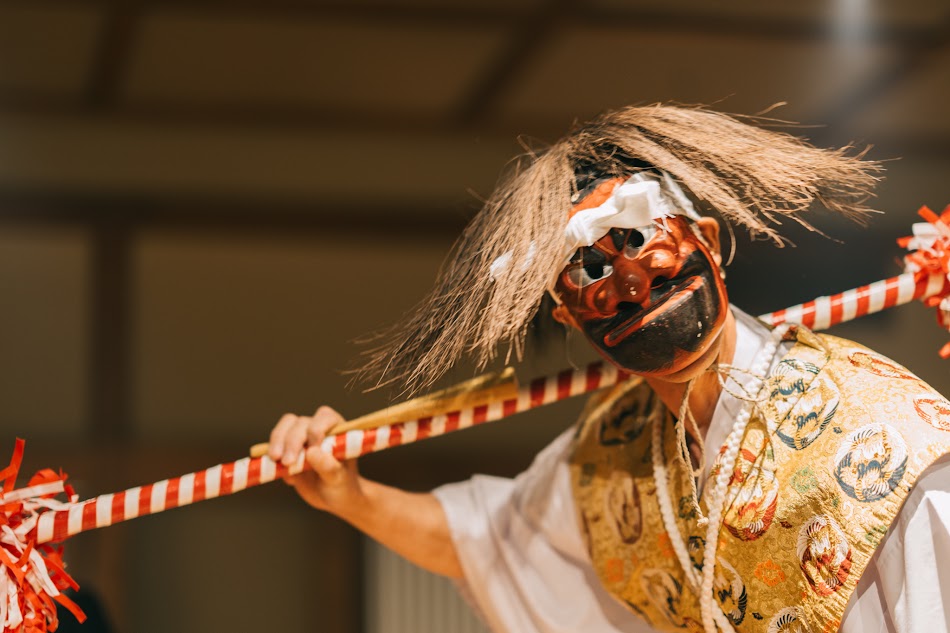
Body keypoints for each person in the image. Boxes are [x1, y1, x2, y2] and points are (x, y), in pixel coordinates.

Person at [267, 105, 950, 633]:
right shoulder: (618, 450)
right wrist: (348, 495)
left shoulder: (891, 442)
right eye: (589, 269)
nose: (629, 282)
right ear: (568, 315)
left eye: (639, 239)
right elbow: (490, 540)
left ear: (708, 240)